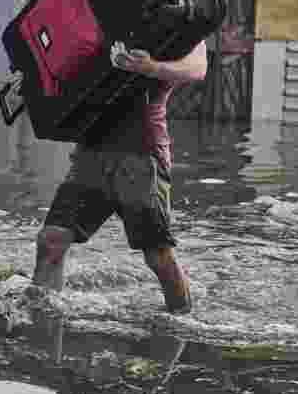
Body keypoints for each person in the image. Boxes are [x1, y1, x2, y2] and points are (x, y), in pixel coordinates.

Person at [31, 23, 208, 313]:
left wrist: (151, 67)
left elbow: (197, 68)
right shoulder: (94, 11)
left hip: (142, 156)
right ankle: (41, 321)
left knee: (158, 256)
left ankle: (182, 322)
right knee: (52, 239)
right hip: (91, 151)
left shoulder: (179, 21)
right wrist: (33, 78)